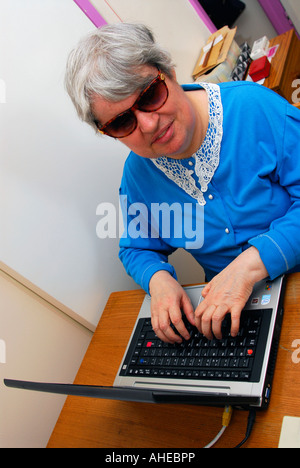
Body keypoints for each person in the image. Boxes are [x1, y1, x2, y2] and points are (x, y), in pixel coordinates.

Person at [65, 23, 300, 344]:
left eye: (150, 95)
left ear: (170, 74)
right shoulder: (138, 176)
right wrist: (159, 280)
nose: (148, 124)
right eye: (122, 121)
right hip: (236, 316)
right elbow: (136, 248)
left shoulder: (254, 108)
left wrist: (248, 266)